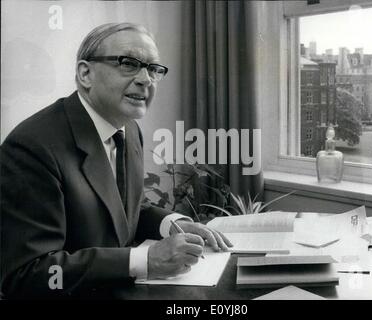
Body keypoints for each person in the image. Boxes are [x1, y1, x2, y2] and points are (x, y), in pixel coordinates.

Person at [0, 22, 232, 299]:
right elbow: (29, 274)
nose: (146, 79)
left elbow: (123, 207)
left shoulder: (129, 129)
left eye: (154, 69)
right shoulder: (33, 146)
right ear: (85, 73)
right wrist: (144, 260)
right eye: (129, 63)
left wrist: (172, 222)